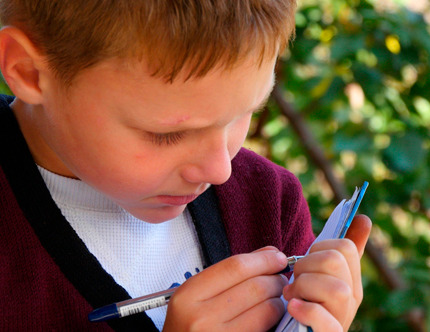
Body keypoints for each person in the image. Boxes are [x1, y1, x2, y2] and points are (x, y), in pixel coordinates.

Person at [0, 0, 372, 331]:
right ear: (29, 71)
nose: (219, 171)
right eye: (165, 135)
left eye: (244, 114)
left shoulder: (267, 200)